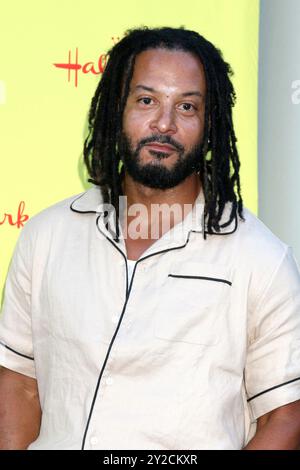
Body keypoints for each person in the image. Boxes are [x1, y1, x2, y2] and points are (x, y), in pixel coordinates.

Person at [0, 26, 300, 451]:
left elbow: (285, 417)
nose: (164, 123)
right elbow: (19, 383)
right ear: (115, 110)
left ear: (209, 123)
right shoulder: (46, 236)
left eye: (187, 107)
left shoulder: (260, 260)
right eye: (147, 101)